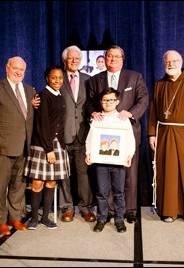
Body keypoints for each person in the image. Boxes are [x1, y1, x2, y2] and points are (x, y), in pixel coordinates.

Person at [86, 45, 149, 224]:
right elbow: (89, 102)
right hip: (103, 137)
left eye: (116, 57)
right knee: (107, 174)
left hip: (127, 133)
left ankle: (129, 209)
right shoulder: (95, 80)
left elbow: (143, 99)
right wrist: (92, 112)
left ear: (122, 59)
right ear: (105, 59)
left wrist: (131, 113)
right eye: (109, 56)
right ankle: (110, 210)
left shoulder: (134, 77)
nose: (112, 59)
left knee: (129, 173)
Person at [0, 56, 38, 235]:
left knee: (18, 186)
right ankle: (0, 220)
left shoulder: (30, 91)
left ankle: (15, 218)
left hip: (23, 147)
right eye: (15, 68)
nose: (19, 72)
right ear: (7, 67)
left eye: (22, 69)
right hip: (2, 147)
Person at [147, 49, 184, 223]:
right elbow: (154, 112)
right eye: (168, 62)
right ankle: (169, 210)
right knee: (168, 171)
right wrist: (151, 134)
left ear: (181, 61)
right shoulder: (159, 84)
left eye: (174, 61)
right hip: (164, 132)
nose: (171, 64)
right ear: (164, 64)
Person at [24, 65, 71, 230]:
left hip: (58, 144)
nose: (57, 81)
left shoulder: (59, 95)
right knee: (38, 183)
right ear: (47, 79)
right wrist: (49, 149)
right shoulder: (43, 96)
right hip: (44, 145)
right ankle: (34, 218)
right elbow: (42, 125)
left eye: (60, 78)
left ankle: (45, 217)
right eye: (54, 78)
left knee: (51, 182)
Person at [85, 87, 135, 233]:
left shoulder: (122, 119)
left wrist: (129, 155)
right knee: (101, 192)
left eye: (112, 100)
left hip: (118, 163)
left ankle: (119, 220)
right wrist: (88, 153)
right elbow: (91, 138)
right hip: (101, 163)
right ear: (101, 102)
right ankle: (101, 218)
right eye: (105, 100)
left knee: (118, 192)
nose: (108, 103)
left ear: (117, 102)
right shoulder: (97, 119)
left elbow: (130, 139)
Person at [59, 45, 96, 223]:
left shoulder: (89, 80)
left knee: (83, 174)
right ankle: (67, 207)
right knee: (64, 174)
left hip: (83, 134)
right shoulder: (57, 79)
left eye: (77, 59)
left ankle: (85, 207)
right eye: (71, 58)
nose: (74, 61)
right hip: (63, 135)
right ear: (65, 60)